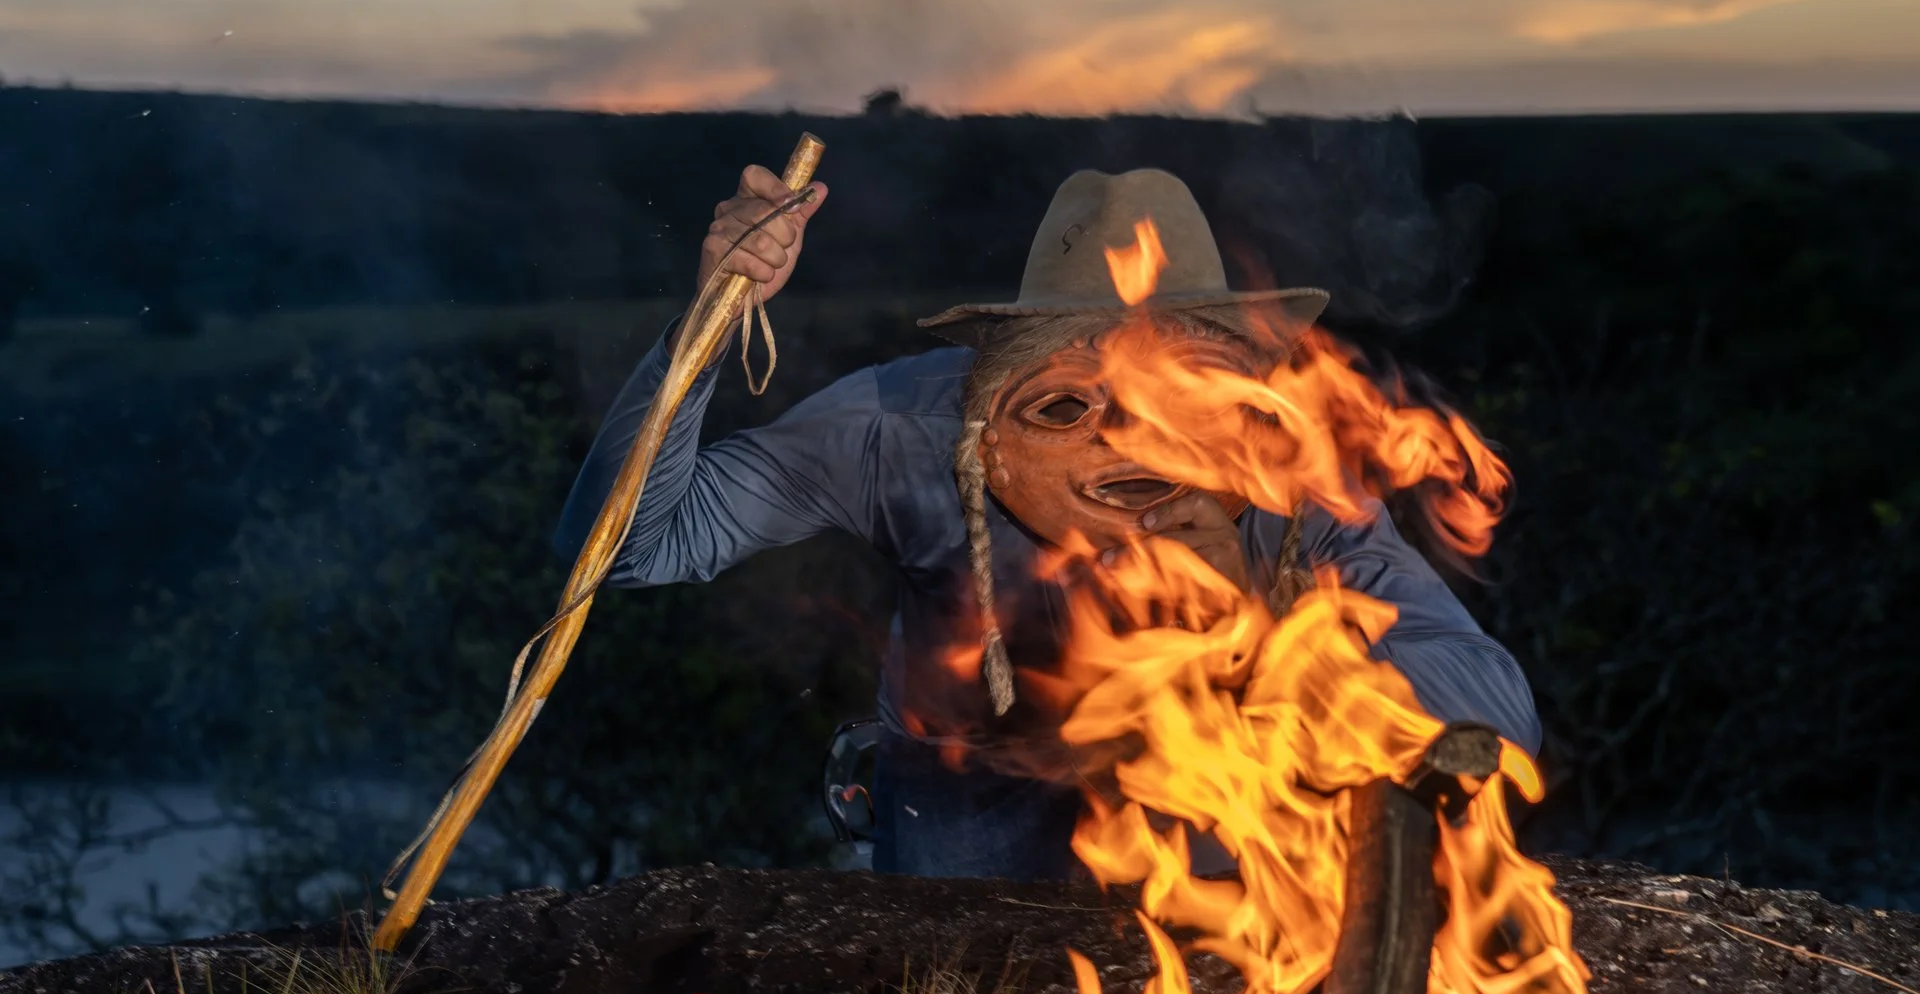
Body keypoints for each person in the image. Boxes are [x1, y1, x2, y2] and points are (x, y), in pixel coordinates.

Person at [557, 163, 1539, 881]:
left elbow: (1491, 713)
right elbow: (631, 546)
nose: (1130, 441)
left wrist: (1265, 630)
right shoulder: (910, 430)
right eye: (1069, 402)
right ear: (996, 402)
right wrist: (708, 324)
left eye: (1177, 395)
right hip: (965, 871)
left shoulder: (1288, 483)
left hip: (1205, 897)